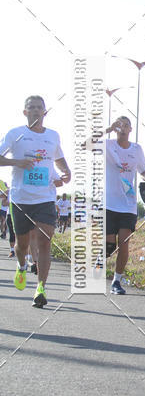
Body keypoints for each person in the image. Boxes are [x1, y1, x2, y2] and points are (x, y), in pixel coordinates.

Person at [0, 95, 71, 307]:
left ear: (45, 112)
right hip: (21, 199)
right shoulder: (15, 134)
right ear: (25, 112)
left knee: (45, 242)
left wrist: (66, 171)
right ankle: (21, 266)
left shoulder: (53, 136)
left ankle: (41, 288)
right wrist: (18, 162)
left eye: (40, 108)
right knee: (22, 245)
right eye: (31, 107)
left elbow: (58, 157)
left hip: (46, 198)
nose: (36, 110)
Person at [103, 116, 145, 295]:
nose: (122, 128)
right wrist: (107, 129)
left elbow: (143, 168)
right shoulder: (107, 145)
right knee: (109, 246)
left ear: (131, 129)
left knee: (124, 243)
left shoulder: (136, 149)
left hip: (128, 204)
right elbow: (86, 144)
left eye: (126, 125)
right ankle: (101, 258)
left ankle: (117, 281)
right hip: (109, 203)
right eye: (119, 125)